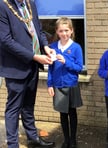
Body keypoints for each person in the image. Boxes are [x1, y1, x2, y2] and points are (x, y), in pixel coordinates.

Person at [0, 0, 55, 147]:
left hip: (33, 66)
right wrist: (34, 56)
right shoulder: (3, 6)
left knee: (28, 105)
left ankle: (33, 138)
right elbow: (5, 41)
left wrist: (45, 46)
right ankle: (13, 144)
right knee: (13, 108)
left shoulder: (30, 3)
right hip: (15, 67)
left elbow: (39, 30)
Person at [47, 17, 83, 148]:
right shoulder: (52, 47)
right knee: (62, 114)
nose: (64, 33)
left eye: (66, 30)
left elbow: (79, 67)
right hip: (58, 85)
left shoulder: (76, 47)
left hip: (71, 84)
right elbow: (50, 68)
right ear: (57, 31)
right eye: (61, 31)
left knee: (72, 113)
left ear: (71, 30)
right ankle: (66, 139)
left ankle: (73, 140)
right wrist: (49, 84)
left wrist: (66, 62)